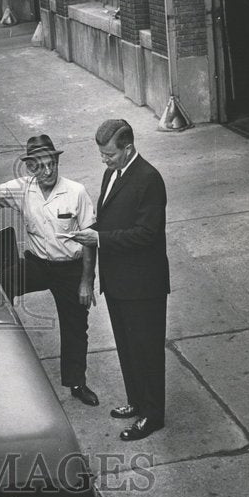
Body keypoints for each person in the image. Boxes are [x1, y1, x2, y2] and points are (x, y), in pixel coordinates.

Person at [0, 134, 100, 407]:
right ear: (30, 167)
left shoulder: (76, 192)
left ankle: (77, 383)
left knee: (75, 326)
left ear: (56, 161)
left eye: (51, 163)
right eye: (40, 166)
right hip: (37, 265)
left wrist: (86, 282)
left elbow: (90, 242)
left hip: (70, 269)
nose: (48, 171)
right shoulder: (21, 188)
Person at [71, 119, 170, 440]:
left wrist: (98, 239)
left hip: (143, 286)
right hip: (118, 282)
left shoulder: (149, 179)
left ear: (128, 149)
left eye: (110, 155)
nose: (104, 160)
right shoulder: (112, 173)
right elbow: (110, 217)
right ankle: (137, 401)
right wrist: (88, 232)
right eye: (101, 155)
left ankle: (153, 415)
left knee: (147, 350)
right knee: (127, 347)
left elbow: (146, 233)